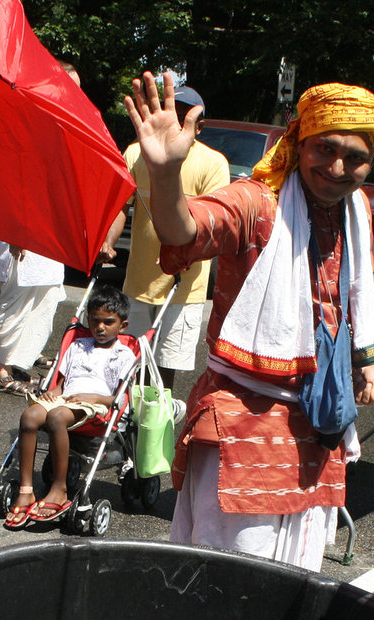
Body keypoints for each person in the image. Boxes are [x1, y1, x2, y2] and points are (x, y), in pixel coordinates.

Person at [124, 71, 374, 572]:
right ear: (298, 142)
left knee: (295, 581)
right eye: (325, 149)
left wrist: (363, 363)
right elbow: (185, 228)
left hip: (317, 422)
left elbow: (349, 297)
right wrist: (164, 175)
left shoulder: (355, 212)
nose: (337, 167)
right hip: (244, 418)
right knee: (228, 578)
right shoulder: (257, 201)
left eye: (355, 157)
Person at [105, 83, 230, 391]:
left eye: (186, 115)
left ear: (199, 126)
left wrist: (188, 253)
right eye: (173, 111)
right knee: (129, 362)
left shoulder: (213, 163)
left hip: (184, 289)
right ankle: (127, 428)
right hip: (138, 282)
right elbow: (121, 206)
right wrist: (107, 241)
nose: (177, 119)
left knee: (165, 370)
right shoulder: (136, 153)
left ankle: (155, 430)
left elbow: (213, 225)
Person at [4, 286, 138, 528]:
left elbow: (119, 397)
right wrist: (50, 394)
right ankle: (26, 489)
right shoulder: (77, 346)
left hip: (97, 404)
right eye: (95, 321)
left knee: (56, 417)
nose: (100, 327)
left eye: (108, 322)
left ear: (123, 326)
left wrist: (96, 398)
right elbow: (61, 382)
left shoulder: (124, 354)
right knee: (30, 416)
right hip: (66, 398)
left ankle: (59, 487)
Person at [0, 239, 65, 395]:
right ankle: (2, 370)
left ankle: (18, 361)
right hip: (20, 240)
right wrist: (16, 234)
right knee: (12, 308)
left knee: (44, 303)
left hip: (49, 242)